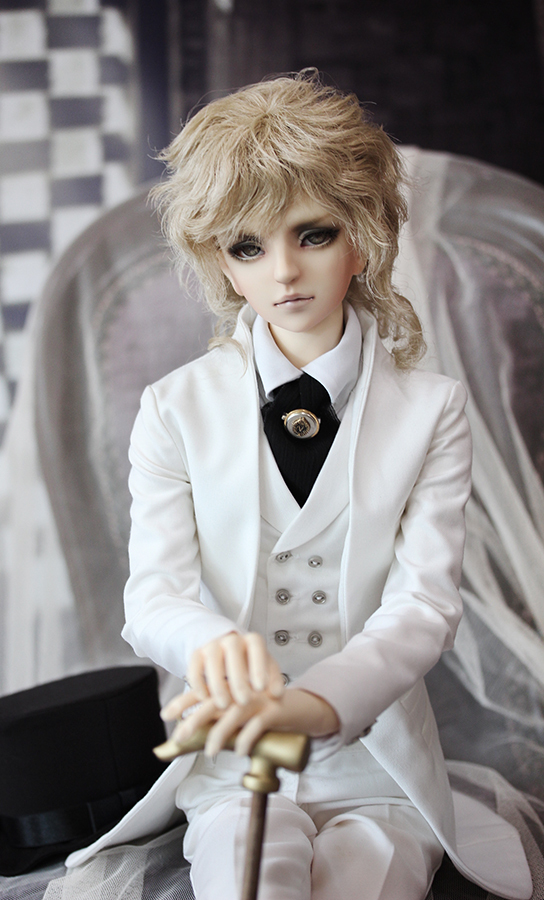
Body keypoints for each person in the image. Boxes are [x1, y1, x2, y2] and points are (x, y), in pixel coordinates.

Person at [113, 72, 531, 900]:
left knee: (367, 879)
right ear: (220, 262)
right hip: (234, 760)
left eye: (313, 234)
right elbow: (151, 595)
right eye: (248, 246)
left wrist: (324, 704)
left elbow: (423, 605)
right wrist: (210, 645)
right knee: (248, 875)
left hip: (376, 757)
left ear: (364, 239)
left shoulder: (433, 410)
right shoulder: (173, 408)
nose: (283, 272)